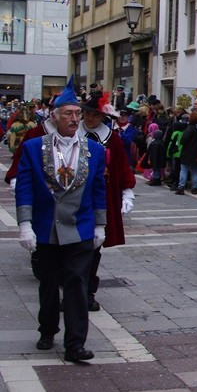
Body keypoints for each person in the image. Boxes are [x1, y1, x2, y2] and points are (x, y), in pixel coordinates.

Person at [16, 78, 106, 362]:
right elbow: (25, 187)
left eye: (77, 114)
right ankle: (47, 329)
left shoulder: (95, 150)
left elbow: (99, 189)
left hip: (79, 228)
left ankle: (75, 344)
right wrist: (25, 225)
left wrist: (101, 225)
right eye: (68, 113)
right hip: (46, 228)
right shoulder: (33, 148)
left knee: (77, 285)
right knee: (48, 283)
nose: (74, 118)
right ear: (54, 116)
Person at [78, 93, 135, 311]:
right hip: (75, 198)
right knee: (72, 248)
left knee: (94, 247)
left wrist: (127, 192)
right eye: (87, 114)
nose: (90, 119)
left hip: (102, 198)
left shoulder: (112, 139)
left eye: (95, 115)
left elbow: (122, 167)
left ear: (102, 117)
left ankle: (89, 291)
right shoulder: (73, 134)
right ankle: (72, 290)